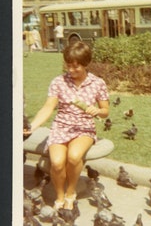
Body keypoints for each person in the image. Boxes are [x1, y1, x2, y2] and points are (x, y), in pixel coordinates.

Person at [23, 42, 110, 211]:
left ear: (86, 64)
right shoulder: (58, 82)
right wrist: (32, 126)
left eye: (76, 67)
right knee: (56, 162)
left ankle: (71, 193)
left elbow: (106, 111)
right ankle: (60, 196)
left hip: (84, 127)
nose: (71, 70)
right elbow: (48, 107)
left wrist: (97, 110)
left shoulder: (98, 83)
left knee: (74, 156)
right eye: (68, 66)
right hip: (61, 126)